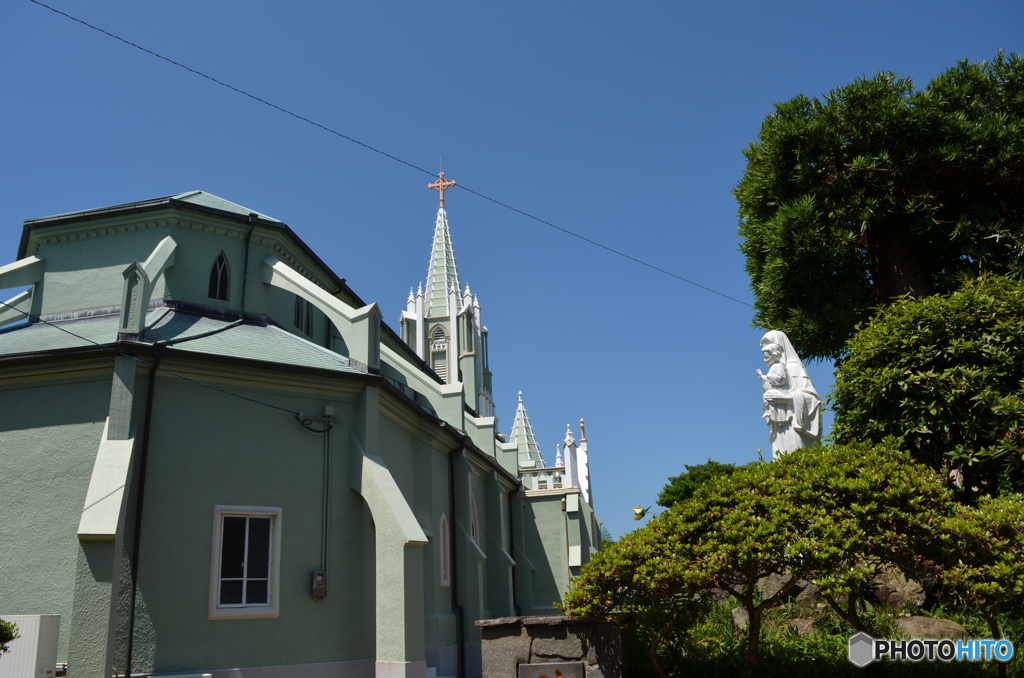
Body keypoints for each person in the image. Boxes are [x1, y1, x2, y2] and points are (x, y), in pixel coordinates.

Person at [756, 330, 821, 458]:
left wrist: (786, 398)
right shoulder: (774, 369)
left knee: (798, 461)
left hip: (794, 424)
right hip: (779, 424)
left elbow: (812, 400)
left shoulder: (794, 367)